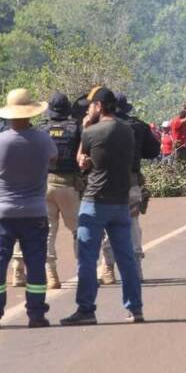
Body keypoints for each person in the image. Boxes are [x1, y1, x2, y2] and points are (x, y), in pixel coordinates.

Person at [61, 87, 143, 325]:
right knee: (125, 258)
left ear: (98, 106)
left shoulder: (92, 132)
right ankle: (135, 308)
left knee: (87, 258)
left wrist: (86, 127)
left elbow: (81, 161)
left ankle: (86, 309)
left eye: (90, 106)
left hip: (95, 202)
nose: (88, 110)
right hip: (121, 202)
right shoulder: (128, 131)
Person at [0, 89, 57, 329]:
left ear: (8, 114)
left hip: (1, 213)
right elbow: (52, 160)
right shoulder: (43, 139)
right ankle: (36, 315)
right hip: (34, 211)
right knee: (35, 264)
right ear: (31, 113)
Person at [100, 93, 161, 283]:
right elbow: (153, 151)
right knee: (132, 223)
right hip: (131, 181)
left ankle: (108, 268)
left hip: (105, 182)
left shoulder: (99, 126)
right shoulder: (138, 125)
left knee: (107, 223)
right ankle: (136, 269)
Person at [38, 92, 83, 290]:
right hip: (68, 185)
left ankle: (51, 275)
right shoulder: (76, 128)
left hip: (44, 185)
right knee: (78, 231)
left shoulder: (40, 129)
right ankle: (84, 271)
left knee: (48, 232)